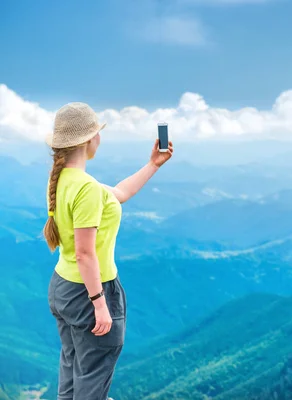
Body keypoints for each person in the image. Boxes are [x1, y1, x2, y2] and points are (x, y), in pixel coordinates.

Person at [44, 102, 173, 400]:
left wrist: (153, 164)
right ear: (90, 139)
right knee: (93, 375)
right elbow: (85, 252)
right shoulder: (86, 188)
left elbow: (119, 193)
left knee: (73, 366)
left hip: (63, 287)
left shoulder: (63, 180)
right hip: (90, 290)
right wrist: (99, 304)